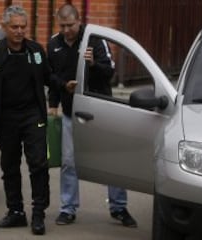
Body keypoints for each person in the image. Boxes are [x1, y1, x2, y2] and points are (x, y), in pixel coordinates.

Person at [47, 3, 137, 228]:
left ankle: (119, 207)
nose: (67, 30)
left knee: (111, 160)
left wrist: (93, 64)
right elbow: (52, 78)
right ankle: (68, 209)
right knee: (69, 162)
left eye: (71, 25)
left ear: (79, 21)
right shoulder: (54, 44)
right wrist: (53, 104)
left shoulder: (95, 39)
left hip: (100, 111)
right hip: (71, 112)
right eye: (63, 25)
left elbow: (109, 73)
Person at [0, 5, 50, 235]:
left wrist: (64, 87)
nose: (19, 31)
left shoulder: (36, 51)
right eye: (14, 27)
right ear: (5, 27)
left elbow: (49, 76)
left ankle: (39, 213)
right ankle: (16, 212)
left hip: (32, 115)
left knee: (38, 163)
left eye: (22, 27)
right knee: (9, 166)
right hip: (6, 117)